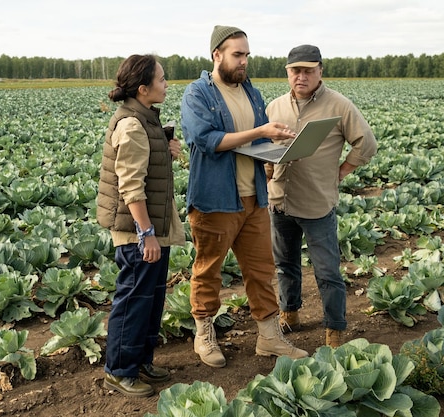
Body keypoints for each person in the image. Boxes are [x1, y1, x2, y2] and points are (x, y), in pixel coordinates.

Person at [180, 25, 309, 368]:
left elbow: (251, 143)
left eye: (247, 55)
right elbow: (207, 140)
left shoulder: (250, 92)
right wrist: (261, 131)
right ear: (216, 55)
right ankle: (205, 333)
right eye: (238, 55)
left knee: (261, 270)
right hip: (215, 199)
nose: (244, 62)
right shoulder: (198, 94)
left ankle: (269, 337)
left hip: (253, 197)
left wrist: (273, 144)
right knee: (209, 270)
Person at [265, 44, 377, 348]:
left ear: (319, 71)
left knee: (327, 271)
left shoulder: (339, 105)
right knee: (284, 264)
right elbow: (266, 149)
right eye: (295, 71)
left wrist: (341, 172)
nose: (301, 76)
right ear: (287, 73)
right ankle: (290, 314)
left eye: (307, 70)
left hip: (317, 203)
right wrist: (265, 166)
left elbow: (366, 143)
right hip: (279, 201)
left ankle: (334, 329)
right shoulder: (274, 107)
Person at [96, 54, 185, 397]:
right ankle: (119, 371)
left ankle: (141, 361)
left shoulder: (145, 120)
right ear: (144, 89)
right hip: (138, 232)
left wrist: (166, 146)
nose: (166, 84)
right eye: (162, 80)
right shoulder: (132, 125)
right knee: (133, 299)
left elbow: (148, 166)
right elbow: (130, 186)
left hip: (150, 229)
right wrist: (146, 233)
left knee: (151, 299)